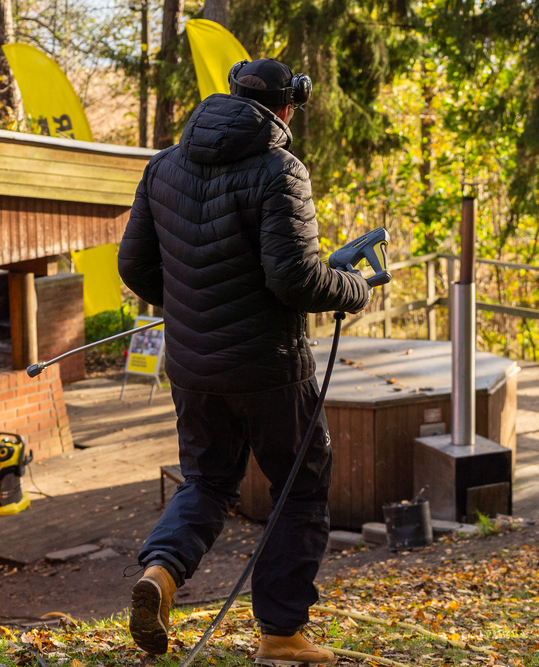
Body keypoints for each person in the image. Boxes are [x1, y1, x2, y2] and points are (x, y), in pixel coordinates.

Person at [118, 58, 370, 663]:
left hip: (192, 366)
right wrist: (354, 289)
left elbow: (134, 266)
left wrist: (192, 307)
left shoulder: (163, 166)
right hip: (268, 369)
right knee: (298, 489)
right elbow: (293, 279)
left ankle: (161, 574)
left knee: (206, 481)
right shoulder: (280, 169)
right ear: (288, 107)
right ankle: (281, 634)